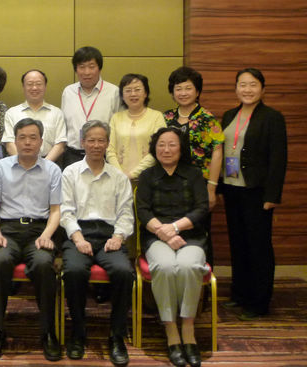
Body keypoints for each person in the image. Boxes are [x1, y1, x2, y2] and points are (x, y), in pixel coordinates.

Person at [0, 118, 62, 363]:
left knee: (43, 265)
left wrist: (47, 235)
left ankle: (48, 332)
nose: (27, 142)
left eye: (33, 137)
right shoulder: (1, 167)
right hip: (7, 229)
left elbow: (56, 210)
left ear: (41, 141)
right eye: (22, 137)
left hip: (39, 230)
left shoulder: (52, 170)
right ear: (15, 141)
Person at [60, 120, 135, 366]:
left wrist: (118, 237)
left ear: (107, 143)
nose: (95, 145)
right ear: (82, 142)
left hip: (109, 236)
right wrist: (78, 238)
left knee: (124, 272)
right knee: (73, 271)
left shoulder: (118, 177)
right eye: (91, 140)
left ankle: (116, 335)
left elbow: (126, 213)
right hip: (79, 234)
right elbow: (66, 212)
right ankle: (78, 332)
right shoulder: (70, 173)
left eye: (101, 140)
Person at [136, 127, 209, 367]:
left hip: (191, 236)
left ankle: (188, 328)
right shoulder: (147, 176)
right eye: (161, 144)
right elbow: (143, 211)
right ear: (154, 148)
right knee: (165, 266)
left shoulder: (194, 174)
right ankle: (170, 329)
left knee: (189, 266)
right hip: (156, 237)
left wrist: (175, 228)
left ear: (181, 148)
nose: (166, 149)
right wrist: (165, 234)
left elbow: (201, 209)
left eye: (172, 144)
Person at [220, 68, 287, 321]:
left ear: (262, 89)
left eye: (253, 85)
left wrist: (272, 195)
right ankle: (240, 294)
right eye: (242, 84)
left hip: (256, 191)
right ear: (236, 88)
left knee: (258, 246)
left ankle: (259, 302)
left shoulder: (272, 118)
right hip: (231, 188)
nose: (247, 89)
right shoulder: (229, 115)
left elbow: (278, 159)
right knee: (238, 243)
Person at [164, 66, 224, 268]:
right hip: (170, 185)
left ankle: (203, 279)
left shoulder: (207, 118)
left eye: (188, 88)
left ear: (197, 91)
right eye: (178, 88)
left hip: (199, 185)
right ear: (172, 92)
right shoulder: (166, 118)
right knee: (173, 230)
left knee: (200, 231)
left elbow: (217, 152)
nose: (183, 93)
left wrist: (212, 188)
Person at [61, 46, 120, 168]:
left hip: (103, 155)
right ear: (76, 69)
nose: (86, 72)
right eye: (82, 67)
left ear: (99, 68)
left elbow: (118, 127)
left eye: (91, 67)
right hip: (73, 155)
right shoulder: (68, 92)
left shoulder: (113, 92)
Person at [106, 73, 166, 181]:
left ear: (145, 93)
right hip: (118, 179)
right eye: (128, 90)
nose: (133, 94)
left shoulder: (157, 117)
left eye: (137, 90)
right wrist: (120, 174)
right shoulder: (116, 118)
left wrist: (133, 174)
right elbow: (109, 149)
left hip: (148, 178)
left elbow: (157, 149)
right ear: (122, 95)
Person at [2, 69, 67, 163]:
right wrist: (24, 163)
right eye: (30, 84)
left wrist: (44, 165)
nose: (34, 88)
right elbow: (9, 143)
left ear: (45, 86)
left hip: (49, 164)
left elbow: (60, 144)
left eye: (39, 84)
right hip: (19, 164)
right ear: (23, 87)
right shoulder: (12, 113)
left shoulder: (57, 113)